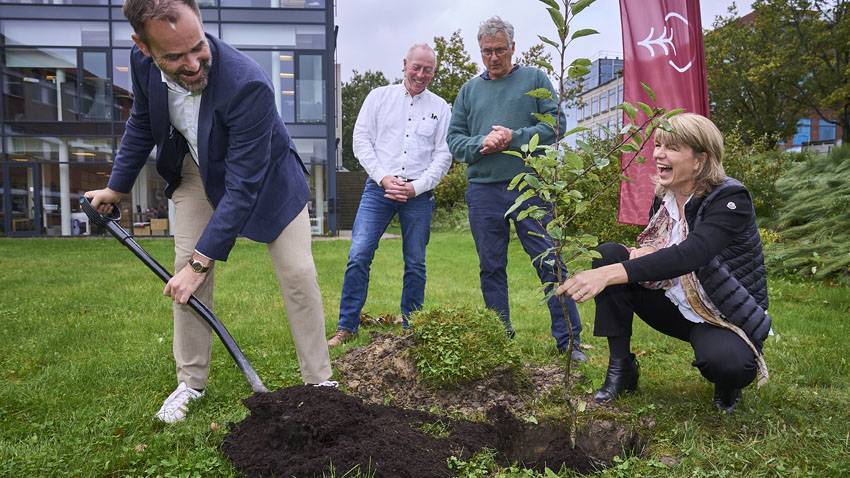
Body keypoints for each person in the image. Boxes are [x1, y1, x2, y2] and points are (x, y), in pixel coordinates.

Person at [84, 0, 334, 423]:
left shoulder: (247, 84)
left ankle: (321, 383)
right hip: (196, 169)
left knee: (297, 272)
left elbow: (243, 187)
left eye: (198, 46)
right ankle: (191, 382)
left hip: (266, 179)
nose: (194, 63)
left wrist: (203, 262)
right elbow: (143, 121)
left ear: (201, 24)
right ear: (143, 47)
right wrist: (116, 186)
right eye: (175, 57)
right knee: (185, 269)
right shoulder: (141, 64)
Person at [556, 113, 771, 412]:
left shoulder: (731, 199)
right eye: (658, 145)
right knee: (609, 254)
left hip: (721, 312)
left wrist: (607, 275)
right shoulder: (665, 195)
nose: (658, 154)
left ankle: (728, 384)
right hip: (674, 301)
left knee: (729, 363)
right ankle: (621, 370)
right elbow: (661, 246)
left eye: (671, 147)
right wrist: (645, 252)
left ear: (699, 160)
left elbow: (691, 254)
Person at [446, 16, 585, 361]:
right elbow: (454, 141)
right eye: (486, 52)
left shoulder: (534, 79)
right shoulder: (468, 91)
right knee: (491, 266)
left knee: (550, 262)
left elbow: (556, 125)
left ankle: (569, 342)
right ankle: (499, 337)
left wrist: (513, 138)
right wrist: (484, 143)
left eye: (499, 50)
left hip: (529, 186)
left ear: (512, 48)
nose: (493, 58)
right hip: (483, 191)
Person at [327, 43, 452, 347]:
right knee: (358, 254)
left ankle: (412, 327)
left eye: (428, 69)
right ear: (405, 64)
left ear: (433, 71)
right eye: (416, 67)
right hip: (378, 190)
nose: (421, 74)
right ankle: (347, 326)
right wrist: (384, 178)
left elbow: (443, 156)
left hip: (418, 195)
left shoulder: (441, 108)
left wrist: (415, 186)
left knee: (415, 262)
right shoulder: (379, 97)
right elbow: (361, 140)